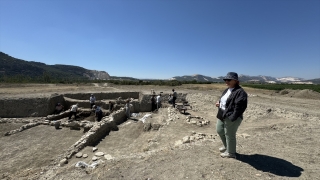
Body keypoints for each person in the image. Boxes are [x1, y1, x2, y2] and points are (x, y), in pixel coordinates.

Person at [215, 72, 248, 158]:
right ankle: (227, 147)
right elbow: (224, 100)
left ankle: (231, 152)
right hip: (222, 114)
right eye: (225, 79)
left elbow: (240, 107)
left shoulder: (240, 92)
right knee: (219, 130)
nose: (226, 81)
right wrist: (219, 103)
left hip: (231, 116)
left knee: (229, 134)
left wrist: (232, 118)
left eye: (229, 79)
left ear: (235, 81)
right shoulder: (227, 89)